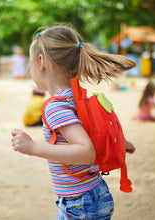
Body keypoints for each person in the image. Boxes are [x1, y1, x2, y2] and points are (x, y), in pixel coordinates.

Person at [11, 25, 136, 219]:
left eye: (30, 61)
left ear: (41, 62)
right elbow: (95, 129)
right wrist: (122, 143)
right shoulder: (77, 98)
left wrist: (33, 147)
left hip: (80, 203)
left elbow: (86, 152)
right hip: (88, 196)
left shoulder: (55, 107)